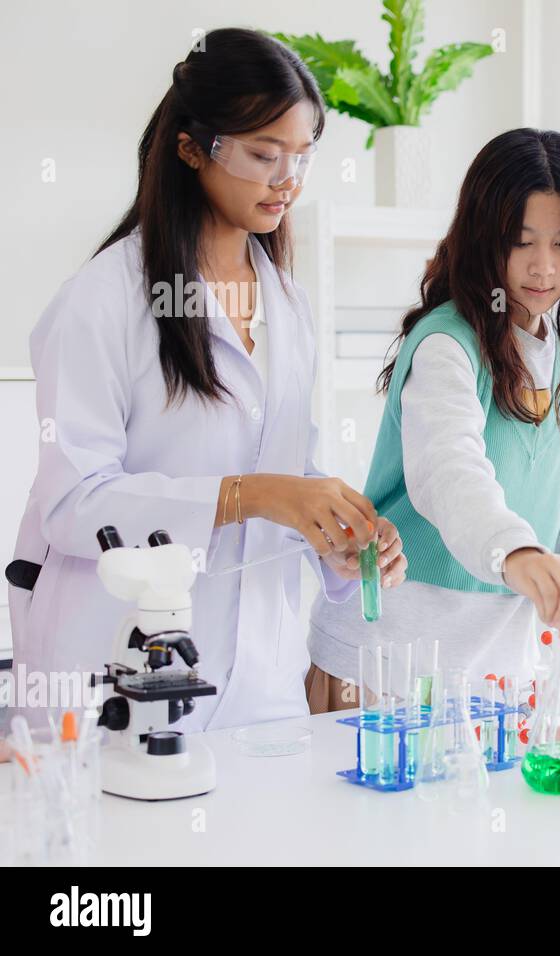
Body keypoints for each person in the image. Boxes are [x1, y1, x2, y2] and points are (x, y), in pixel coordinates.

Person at [7, 29, 406, 733]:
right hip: (120, 681)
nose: (289, 180)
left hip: (260, 687)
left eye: (303, 157)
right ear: (193, 149)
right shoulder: (102, 302)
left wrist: (336, 543)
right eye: (264, 154)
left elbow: (289, 472)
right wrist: (246, 497)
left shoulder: (287, 303)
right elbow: (72, 503)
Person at [306, 129, 560, 707]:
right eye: (522, 243)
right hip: (382, 664)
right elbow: (450, 474)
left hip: (491, 674)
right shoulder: (448, 344)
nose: (543, 267)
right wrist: (516, 555)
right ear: (482, 239)